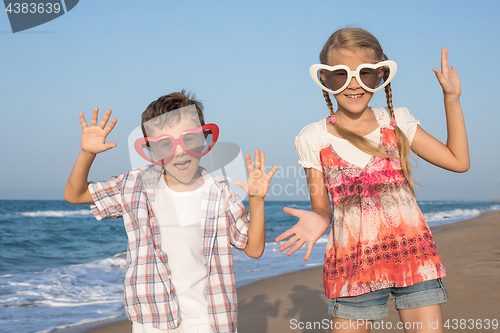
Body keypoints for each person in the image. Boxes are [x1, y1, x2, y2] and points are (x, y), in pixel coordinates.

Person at [276, 28, 469, 333]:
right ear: (325, 79)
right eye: (341, 75)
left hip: (413, 255)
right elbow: (322, 207)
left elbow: (458, 161)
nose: (354, 84)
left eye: (365, 74)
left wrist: (451, 98)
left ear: (380, 76)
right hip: (352, 264)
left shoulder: (398, 122)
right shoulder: (312, 138)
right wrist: (318, 219)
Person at [64, 91, 278, 333]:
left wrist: (256, 199)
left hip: (207, 321)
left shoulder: (219, 191)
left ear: (204, 138)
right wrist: (87, 153)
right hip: (151, 320)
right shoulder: (135, 184)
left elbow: (254, 248)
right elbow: (75, 194)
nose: (179, 151)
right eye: (166, 144)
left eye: (188, 139)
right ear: (152, 151)